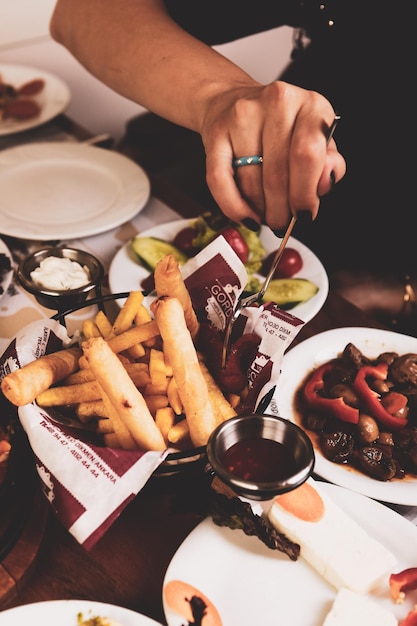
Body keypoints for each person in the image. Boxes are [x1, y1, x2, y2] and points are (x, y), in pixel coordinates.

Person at [50, 0, 415, 326]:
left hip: (384, 252)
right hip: (256, 157)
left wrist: (403, 291)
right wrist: (218, 98)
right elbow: (81, 11)